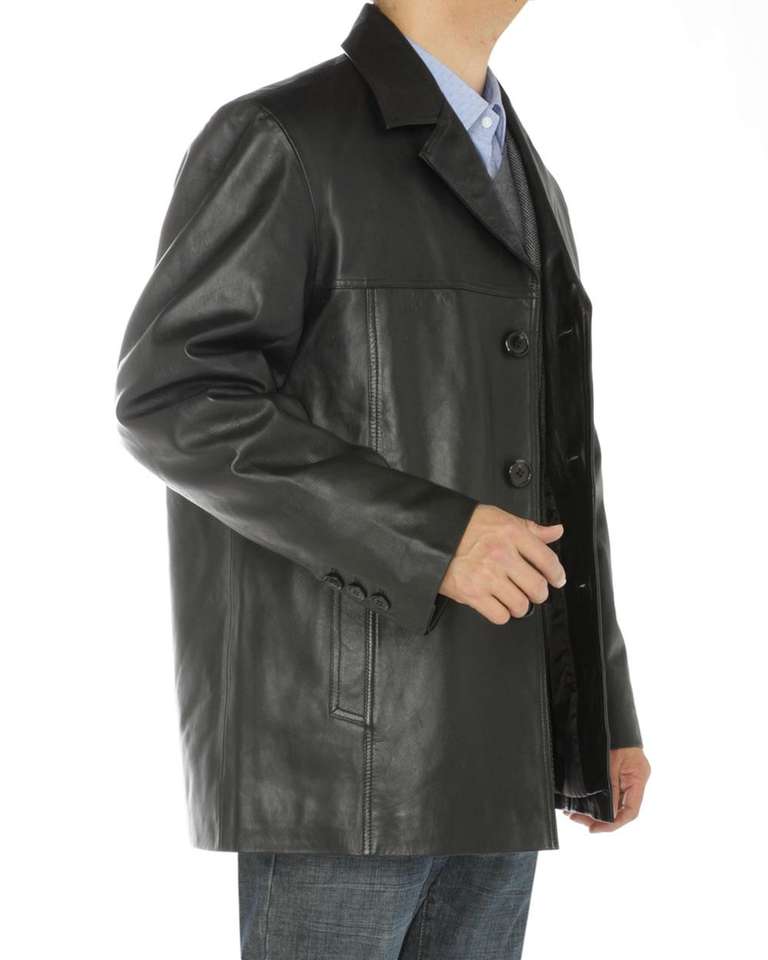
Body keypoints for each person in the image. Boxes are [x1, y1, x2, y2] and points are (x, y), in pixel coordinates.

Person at [115, 1, 651, 956]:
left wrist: (598, 707)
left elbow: (568, 456)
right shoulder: (284, 139)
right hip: (340, 760)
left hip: (500, 746)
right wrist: (432, 539)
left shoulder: (527, 177)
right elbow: (174, 397)